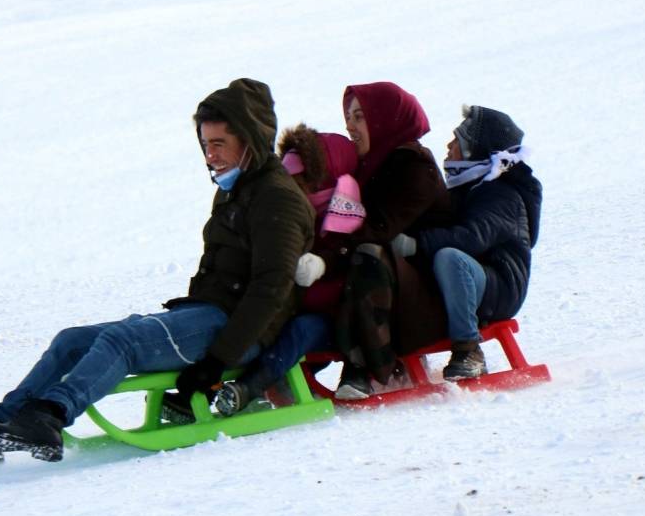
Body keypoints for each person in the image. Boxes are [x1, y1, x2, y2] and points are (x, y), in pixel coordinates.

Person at [0, 78, 315, 476]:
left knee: (122, 342)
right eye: (205, 145)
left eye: (219, 144)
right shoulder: (236, 188)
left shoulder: (275, 198)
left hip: (238, 332)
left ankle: (50, 416)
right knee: (71, 342)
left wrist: (216, 364)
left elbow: (270, 289)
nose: (210, 156)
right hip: (206, 316)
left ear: (251, 141)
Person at [214, 124, 365, 416]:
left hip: (339, 318)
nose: (291, 190)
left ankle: (250, 385)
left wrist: (321, 268)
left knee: (300, 330)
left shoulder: (349, 218)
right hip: (297, 306)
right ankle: (217, 384)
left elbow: (354, 266)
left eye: (299, 181)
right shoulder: (290, 215)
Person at [321, 82, 454, 399]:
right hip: (395, 284)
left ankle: (363, 367)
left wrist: (330, 254)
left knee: (366, 253)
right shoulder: (369, 168)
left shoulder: (415, 166)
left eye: (359, 117)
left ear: (385, 119)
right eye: (348, 117)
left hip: (425, 291)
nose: (349, 125)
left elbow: (380, 227)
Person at [390, 105, 541, 379]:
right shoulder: (467, 187)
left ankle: (469, 350)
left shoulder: (500, 194)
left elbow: (472, 237)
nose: (448, 146)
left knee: (449, 257)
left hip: (501, 286)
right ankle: (402, 353)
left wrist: (416, 243)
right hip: (472, 280)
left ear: (475, 150)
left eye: (457, 140)